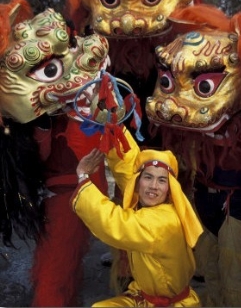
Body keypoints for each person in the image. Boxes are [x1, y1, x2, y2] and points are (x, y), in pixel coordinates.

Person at [71, 127, 203, 307]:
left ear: (170, 188)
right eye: (148, 178)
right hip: (143, 298)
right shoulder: (156, 204)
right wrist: (113, 126)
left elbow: (114, 223)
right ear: (138, 182)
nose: (153, 186)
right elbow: (129, 167)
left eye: (162, 180)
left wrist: (83, 177)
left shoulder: (163, 221)